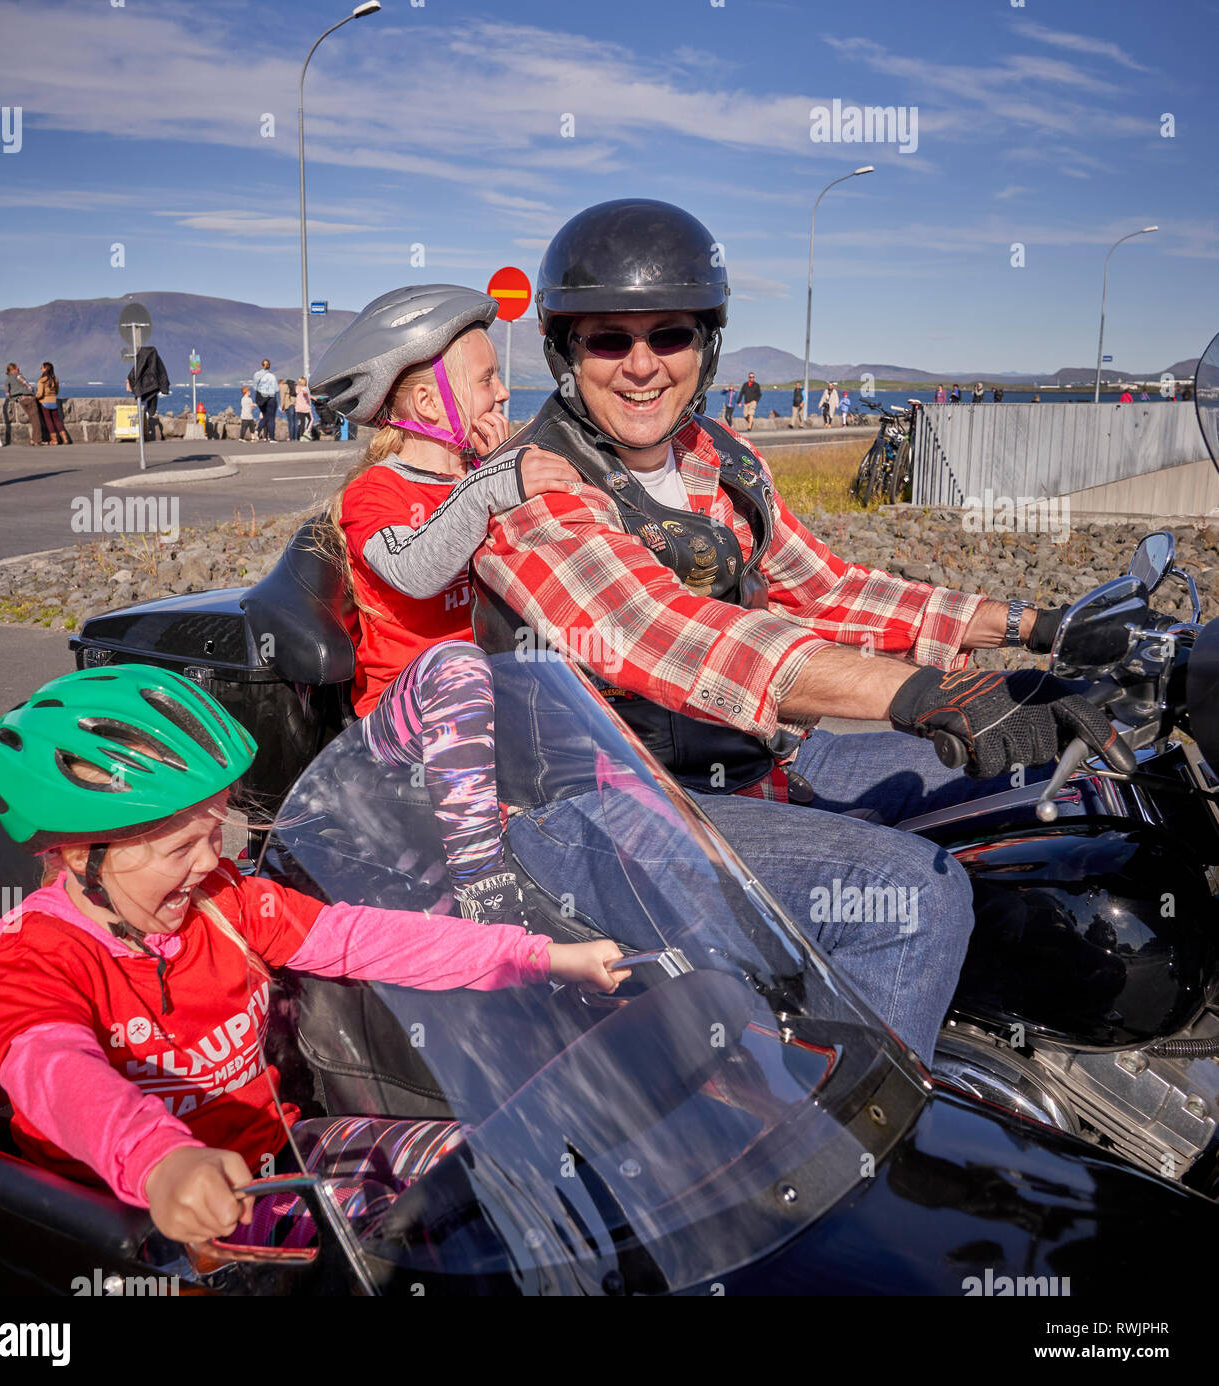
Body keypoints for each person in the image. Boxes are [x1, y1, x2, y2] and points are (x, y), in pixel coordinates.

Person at [468, 198, 1121, 1063]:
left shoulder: (716, 460)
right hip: (595, 811)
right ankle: (847, 1158)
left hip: (747, 765)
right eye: (608, 340)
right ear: (564, 352)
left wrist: (1042, 631)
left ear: (705, 345)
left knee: (1045, 765)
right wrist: (926, 695)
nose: (641, 366)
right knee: (912, 897)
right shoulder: (532, 486)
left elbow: (829, 590)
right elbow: (657, 630)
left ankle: (1016, 1045)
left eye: (669, 335)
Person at [0, 665, 624, 1247]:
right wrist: (159, 1162)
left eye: (216, 833)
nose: (212, 861)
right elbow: (54, 1071)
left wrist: (541, 956)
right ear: (84, 855)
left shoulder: (226, 903)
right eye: (181, 849)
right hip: (158, 1215)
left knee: (520, 1167)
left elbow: (368, 939)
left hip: (283, 1161)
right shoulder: (33, 961)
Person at [314, 285, 579, 923]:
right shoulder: (372, 495)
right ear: (430, 402)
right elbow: (416, 570)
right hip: (396, 733)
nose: (503, 393)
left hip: (485, 717)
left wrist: (496, 473)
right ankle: (481, 882)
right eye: (487, 379)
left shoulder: (478, 477)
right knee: (456, 664)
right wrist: (492, 485)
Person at [126, 345, 169, 441]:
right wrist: (163, 388)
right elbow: (162, 374)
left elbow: (131, 377)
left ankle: (140, 435)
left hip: (143, 393)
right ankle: (141, 435)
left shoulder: (139, 366)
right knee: (145, 412)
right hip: (150, 390)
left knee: (143, 411)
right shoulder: (155, 362)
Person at [3, 362, 41, 446]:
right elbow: (28, 385)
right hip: (29, 398)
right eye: (17, 368)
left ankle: (33, 439)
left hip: (20, 400)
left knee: (32, 419)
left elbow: (7, 393)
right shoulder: (18, 376)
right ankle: (37, 440)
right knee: (36, 420)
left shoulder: (7, 380)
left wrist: (14, 398)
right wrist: (31, 391)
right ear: (13, 370)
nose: (19, 370)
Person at [36, 362, 72, 445]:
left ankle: (54, 440)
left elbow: (40, 393)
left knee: (49, 421)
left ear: (45, 369)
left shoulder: (42, 380)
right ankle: (65, 438)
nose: (41, 369)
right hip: (53, 402)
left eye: (42, 368)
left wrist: (35, 397)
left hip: (44, 402)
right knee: (57, 420)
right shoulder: (55, 379)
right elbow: (57, 391)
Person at [252, 358, 279, 441]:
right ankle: (271, 438)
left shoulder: (256, 375)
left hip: (260, 399)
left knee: (265, 416)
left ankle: (258, 431)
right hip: (270, 398)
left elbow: (254, 387)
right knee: (271, 418)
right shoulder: (272, 376)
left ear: (262, 365)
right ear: (269, 366)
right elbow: (276, 389)